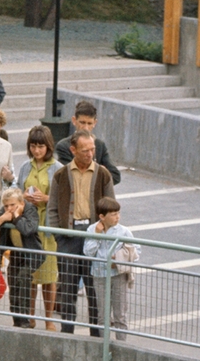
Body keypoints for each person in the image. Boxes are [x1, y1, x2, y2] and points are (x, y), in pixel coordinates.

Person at [47, 130, 115, 336]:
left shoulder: (103, 174)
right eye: (85, 150)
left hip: (94, 237)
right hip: (69, 237)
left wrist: (105, 233)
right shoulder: (61, 174)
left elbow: (112, 208)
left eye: (92, 149)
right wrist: (59, 236)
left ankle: (96, 335)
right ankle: (67, 332)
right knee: (67, 289)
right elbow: (52, 208)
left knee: (94, 289)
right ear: (73, 150)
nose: (90, 154)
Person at [17, 125, 61, 331]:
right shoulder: (26, 166)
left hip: (47, 226)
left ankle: (49, 319)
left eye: (40, 146)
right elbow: (16, 191)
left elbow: (63, 198)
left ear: (48, 146)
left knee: (49, 275)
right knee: (32, 274)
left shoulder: (57, 168)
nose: (37, 151)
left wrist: (46, 198)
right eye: (33, 146)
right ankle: (30, 316)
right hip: (29, 224)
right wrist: (23, 196)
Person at [83, 197, 138, 341]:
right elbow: (88, 252)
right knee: (103, 315)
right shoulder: (92, 229)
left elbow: (136, 251)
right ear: (102, 216)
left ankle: (121, 343)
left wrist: (119, 258)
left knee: (120, 314)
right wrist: (96, 234)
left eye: (118, 213)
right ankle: (104, 344)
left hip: (118, 275)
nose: (117, 217)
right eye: (113, 214)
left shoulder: (124, 231)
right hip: (99, 275)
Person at [0, 188, 41, 328]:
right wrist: (1, 219)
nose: (9, 209)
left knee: (23, 278)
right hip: (15, 252)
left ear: (21, 203)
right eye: (6, 206)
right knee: (14, 283)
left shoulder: (30, 210)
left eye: (13, 205)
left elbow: (28, 229)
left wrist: (16, 218)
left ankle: (25, 319)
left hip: (31, 253)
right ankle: (16, 319)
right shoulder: (5, 212)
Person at [54, 100, 122, 186]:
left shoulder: (100, 145)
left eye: (89, 123)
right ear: (74, 120)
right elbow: (69, 177)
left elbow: (115, 176)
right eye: (82, 122)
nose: (86, 128)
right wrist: (100, 174)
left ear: (95, 123)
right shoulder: (64, 146)